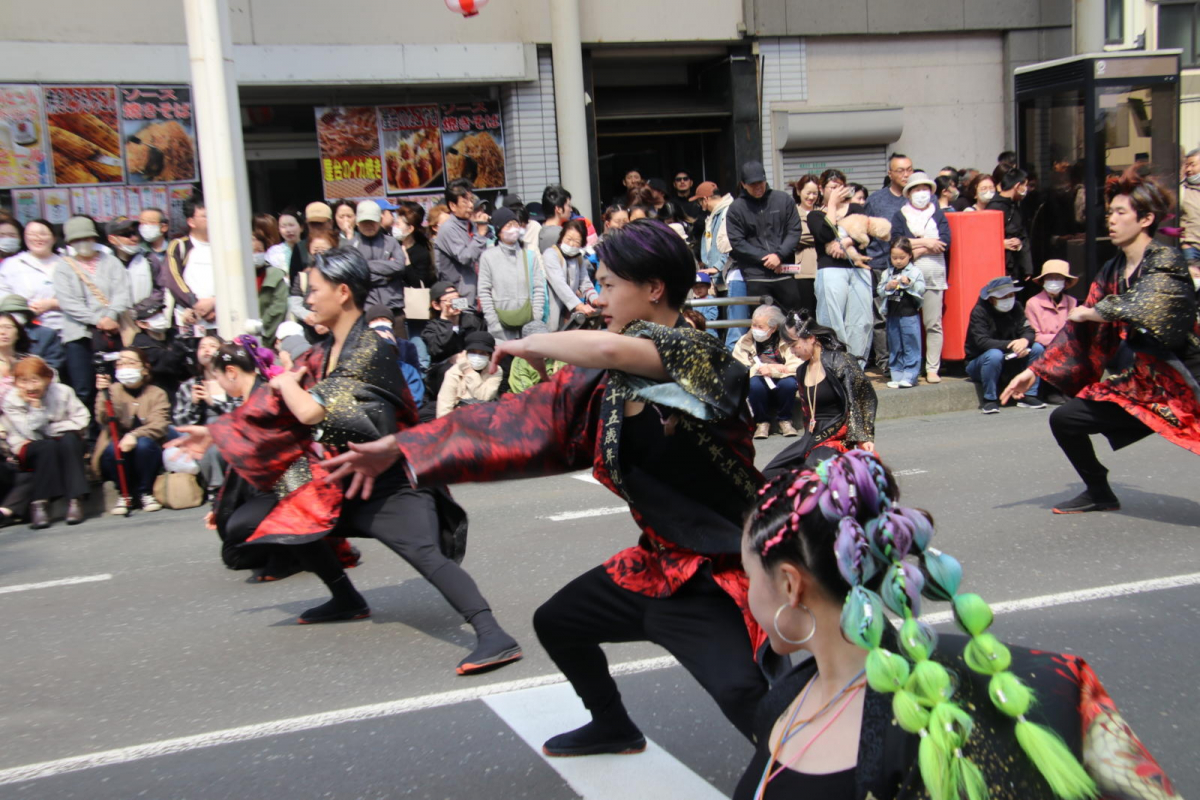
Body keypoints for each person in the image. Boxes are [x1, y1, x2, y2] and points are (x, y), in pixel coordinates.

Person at [322, 219, 772, 757]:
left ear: (654, 288)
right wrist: (401, 448)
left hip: (727, 576)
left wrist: (528, 341)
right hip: (657, 569)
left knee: (753, 704)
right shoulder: (603, 384)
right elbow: (510, 422)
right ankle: (613, 726)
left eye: (608, 285)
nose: (596, 296)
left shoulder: (706, 357)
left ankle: (816, 770)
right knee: (559, 622)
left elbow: (609, 350)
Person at [737, 449, 1174, 800]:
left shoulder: (809, 705)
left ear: (791, 585)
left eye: (749, 574)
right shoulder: (790, 696)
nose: (745, 590)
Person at [173, 247, 522, 675]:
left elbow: (310, 411)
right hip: (332, 472)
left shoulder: (368, 350)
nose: (308, 300)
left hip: (387, 478)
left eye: (313, 291)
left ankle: (493, 635)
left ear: (342, 292)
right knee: (247, 521)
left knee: (426, 555)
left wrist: (284, 383)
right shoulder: (320, 352)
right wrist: (214, 432)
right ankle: (345, 597)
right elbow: (276, 404)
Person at [1004, 170, 1200, 513]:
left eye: (1121, 212)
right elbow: (1081, 334)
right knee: (1065, 420)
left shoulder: (1166, 260)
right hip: (1145, 384)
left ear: (1146, 219)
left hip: (1188, 379)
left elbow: (1151, 305)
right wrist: (1035, 371)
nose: (1111, 219)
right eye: (1110, 212)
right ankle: (1099, 491)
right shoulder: (1112, 270)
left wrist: (1094, 312)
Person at [761, 315, 876, 479]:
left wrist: (864, 436)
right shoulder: (801, 370)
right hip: (812, 437)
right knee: (769, 474)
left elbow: (862, 397)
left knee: (813, 472)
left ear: (811, 338)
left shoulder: (840, 361)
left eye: (794, 345)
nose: (792, 351)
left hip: (838, 435)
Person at [54, 216, 133, 411]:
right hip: (79, 335)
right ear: (70, 243)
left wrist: (111, 315)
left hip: (111, 332)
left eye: (87, 238)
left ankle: (117, 428)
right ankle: (90, 435)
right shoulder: (64, 267)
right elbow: (67, 302)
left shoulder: (111, 262)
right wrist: (98, 320)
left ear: (94, 238)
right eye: (77, 240)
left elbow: (122, 292)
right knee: (84, 387)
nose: (83, 243)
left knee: (115, 383)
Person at [1, 357, 89, 529]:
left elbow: (81, 419)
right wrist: (36, 408)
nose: (29, 387)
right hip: (26, 445)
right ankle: (40, 504)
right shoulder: (12, 400)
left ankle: (74, 500)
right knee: (46, 446)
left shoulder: (63, 391)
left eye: (35, 380)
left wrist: (53, 429)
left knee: (69, 440)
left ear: (47, 379)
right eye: (23, 381)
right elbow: (29, 433)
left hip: (61, 439)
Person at [890, 171, 951, 383]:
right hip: (907, 279)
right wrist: (928, 243)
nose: (921, 193)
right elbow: (898, 243)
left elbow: (944, 241)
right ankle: (909, 367)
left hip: (934, 276)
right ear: (909, 193)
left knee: (933, 324)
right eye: (917, 189)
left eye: (925, 189)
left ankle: (933, 368)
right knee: (907, 325)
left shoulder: (938, 213)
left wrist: (917, 246)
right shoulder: (900, 215)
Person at [94, 348, 170, 515]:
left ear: (144, 368)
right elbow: (102, 418)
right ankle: (124, 493)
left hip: (147, 448)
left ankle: (145, 492)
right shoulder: (112, 390)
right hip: (117, 446)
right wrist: (103, 393)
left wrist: (134, 435)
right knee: (112, 450)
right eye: (120, 363)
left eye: (131, 362)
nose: (125, 367)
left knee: (143, 445)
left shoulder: (157, 393)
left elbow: (159, 424)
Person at [810, 171, 873, 363]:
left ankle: (856, 366)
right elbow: (825, 235)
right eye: (832, 187)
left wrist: (845, 242)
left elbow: (866, 232)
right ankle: (834, 363)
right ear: (821, 189)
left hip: (858, 267)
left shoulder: (856, 208)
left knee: (862, 321)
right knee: (831, 319)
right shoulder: (815, 214)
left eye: (840, 186)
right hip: (830, 269)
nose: (837, 191)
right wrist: (832, 205)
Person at [727, 161, 804, 314]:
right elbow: (737, 242)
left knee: (793, 320)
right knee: (763, 323)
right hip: (756, 275)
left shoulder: (783, 200)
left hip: (784, 271)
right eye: (752, 184)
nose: (758, 187)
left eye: (760, 182)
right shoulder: (736, 208)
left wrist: (779, 255)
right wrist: (766, 258)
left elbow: (794, 230)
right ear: (743, 184)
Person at [966, 277, 1045, 414]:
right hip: (981, 362)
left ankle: (1029, 395)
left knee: (1037, 348)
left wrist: (1024, 341)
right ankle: (989, 399)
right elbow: (982, 342)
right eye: (1003, 296)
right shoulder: (979, 311)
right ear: (991, 299)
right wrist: (1011, 345)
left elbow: (1028, 330)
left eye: (1011, 295)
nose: (1008, 299)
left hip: (1011, 358)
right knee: (994, 354)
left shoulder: (1017, 307)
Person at [478, 206, 545, 341]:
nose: (514, 229)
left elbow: (539, 287)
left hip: (528, 325)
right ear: (499, 231)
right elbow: (484, 291)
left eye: (516, 224)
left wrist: (536, 317)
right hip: (500, 329)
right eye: (508, 225)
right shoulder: (488, 257)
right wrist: (493, 323)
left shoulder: (529, 255)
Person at [733, 304, 800, 439]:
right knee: (754, 385)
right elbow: (739, 366)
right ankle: (762, 422)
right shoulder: (745, 341)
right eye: (754, 325)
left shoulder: (787, 339)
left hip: (782, 376)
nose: (755, 329)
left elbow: (796, 365)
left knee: (788, 385)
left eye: (760, 327)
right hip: (758, 375)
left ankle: (785, 420)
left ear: (773, 328)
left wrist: (773, 370)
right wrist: (758, 368)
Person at [0, 219, 64, 341]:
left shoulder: (67, 263)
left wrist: (52, 304)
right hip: (26, 332)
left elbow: (81, 297)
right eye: (32, 234)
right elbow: (3, 297)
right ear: (24, 237)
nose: (37, 238)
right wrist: (23, 309)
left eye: (43, 234)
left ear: (54, 238)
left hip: (65, 331)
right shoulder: (11, 265)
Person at [163, 196, 217, 339]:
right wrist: (196, 305)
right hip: (190, 319)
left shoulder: (225, 246)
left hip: (222, 318)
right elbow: (173, 279)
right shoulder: (180, 246)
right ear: (191, 221)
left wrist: (215, 303)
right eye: (205, 216)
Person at [350, 200, 407, 333]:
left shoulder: (392, 242)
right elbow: (354, 277)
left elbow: (399, 266)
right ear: (357, 222)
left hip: (394, 308)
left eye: (372, 221)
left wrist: (365, 265)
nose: (369, 225)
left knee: (401, 351)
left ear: (379, 220)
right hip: (365, 309)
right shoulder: (351, 246)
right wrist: (385, 277)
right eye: (365, 222)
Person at [877, 238, 926, 389]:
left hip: (909, 313)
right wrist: (888, 286)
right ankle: (897, 375)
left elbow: (921, 289)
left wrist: (909, 282)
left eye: (902, 258)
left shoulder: (915, 271)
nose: (898, 261)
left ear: (910, 255)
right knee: (895, 344)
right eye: (894, 257)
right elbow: (879, 290)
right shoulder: (887, 272)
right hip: (892, 313)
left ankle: (910, 375)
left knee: (911, 344)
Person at [434, 179, 490, 307]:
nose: (471, 205)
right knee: (464, 325)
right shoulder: (448, 228)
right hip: (459, 298)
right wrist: (481, 234)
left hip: (479, 296)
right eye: (465, 201)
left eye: (471, 200)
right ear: (453, 206)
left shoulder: (472, 225)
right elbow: (465, 257)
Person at [543, 219, 597, 331]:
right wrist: (578, 305)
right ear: (562, 237)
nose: (571, 244)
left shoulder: (578, 258)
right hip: (553, 313)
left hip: (569, 315)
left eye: (577, 241)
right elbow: (559, 284)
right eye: (568, 239)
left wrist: (596, 300)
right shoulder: (550, 254)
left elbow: (585, 283)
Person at [436, 331, 502, 418]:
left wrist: (469, 372)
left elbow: (484, 396)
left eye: (482, 353)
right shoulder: (454, 372)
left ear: (489, 355)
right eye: (473, 352)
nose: (477, 357)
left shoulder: (495, 370)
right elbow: (444, 406)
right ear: (466, 353)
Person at [989, 168, 1033, 282]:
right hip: (998, 267)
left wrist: (1027, 268)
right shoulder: (994, 207)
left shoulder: (1015, 207)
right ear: (1018, 186)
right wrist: (1001, 244)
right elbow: (984, 239)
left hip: (1015, 267)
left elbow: (1023, 236)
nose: (1026, 189)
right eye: (1025, 185)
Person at [1025, 259, 1079, 351]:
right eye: (1049, 278)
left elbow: (1073, 330)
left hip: (1067, 347)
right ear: (1043, 281)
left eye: (1058, 278)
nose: (1054, 281)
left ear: (1065, 281)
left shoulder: (1072, 301)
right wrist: (1061, 339)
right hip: (1044, 347)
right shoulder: (1033, 303)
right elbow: (1036, 335)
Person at [0, 294, 63, 371]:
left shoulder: (46, 334)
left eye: (18, 313)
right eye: (10, 314)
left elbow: (53, 365)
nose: (3, 332)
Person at [791, 174, 822, 321]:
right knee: (806, 314)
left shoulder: (824, 211)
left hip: (823, 269)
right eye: (808, 193)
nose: (811, 197)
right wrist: (819, 236)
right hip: (803, 271)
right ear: (798, 192)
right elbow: (794, 237)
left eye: (814, 193)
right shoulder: (792, 213)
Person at [251, 230, 289, 342]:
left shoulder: (275, 275)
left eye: (259, 251)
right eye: (252, 251)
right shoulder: (237, 277)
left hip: (268, 335)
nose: (256, 254)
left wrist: (263, 329)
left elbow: (278, 307)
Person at [538, 185, 573, 254]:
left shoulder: (540, 230)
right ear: (558, 209)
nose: (571, 209)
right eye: (568, 205)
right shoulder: (560, 234)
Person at [1180, 148, 1200, 265]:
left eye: (1192, 165)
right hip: (1191, 248)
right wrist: (1184, 243)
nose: (1189, 169)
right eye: (1187, 166)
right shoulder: (1182, 190)